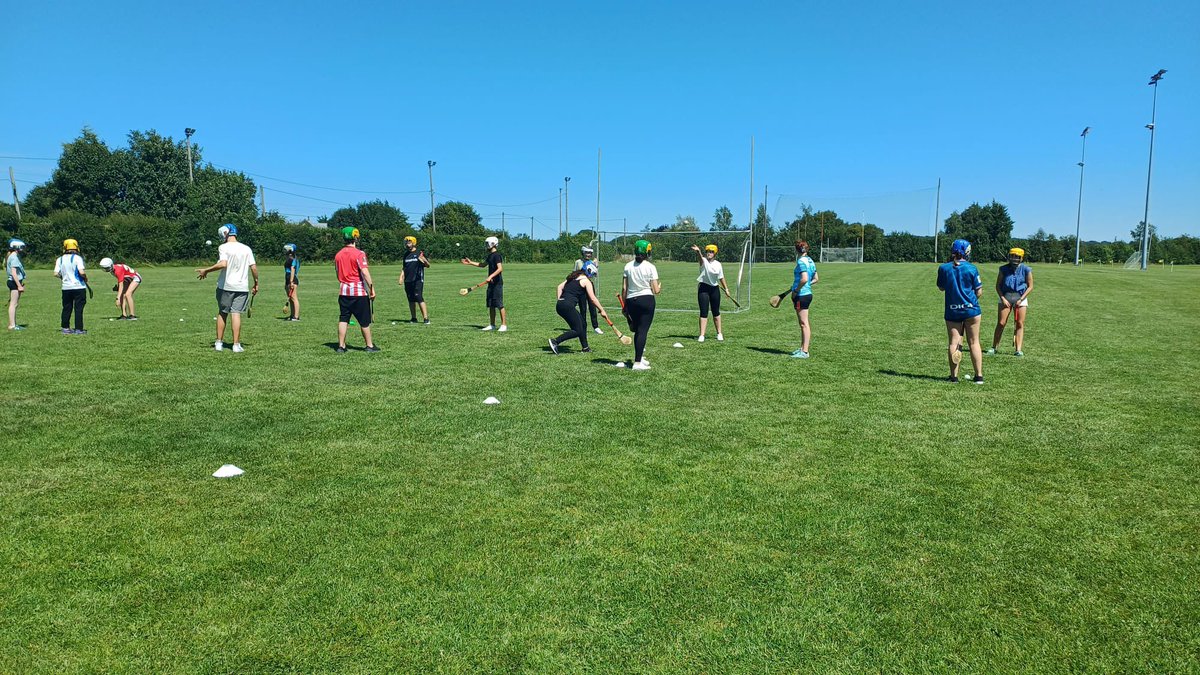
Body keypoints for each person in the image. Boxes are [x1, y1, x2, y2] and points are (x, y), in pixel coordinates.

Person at [195, 224, 259, 353]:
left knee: (223, 312)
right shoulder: (246, 248)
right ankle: (236, 345)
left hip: (225, 286)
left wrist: (206, 270)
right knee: (236, 314)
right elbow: (253, 268)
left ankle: (219, 343)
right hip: (241, 287)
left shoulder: (223, 247)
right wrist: (256, 283)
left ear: (225, 234)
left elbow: (223, 264)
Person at [937, 239, 984, 384]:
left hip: (953, 311)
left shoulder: (944, 268)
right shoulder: (972, 268)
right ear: (967, 252)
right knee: (974, 342)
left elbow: (941, 287)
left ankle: (954, 377)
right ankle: (979, 376)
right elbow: (979, 291)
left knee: (954, 343)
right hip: (972, 310)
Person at [333, 226, 379, 353]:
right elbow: (365, 272)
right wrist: (371, 288)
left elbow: (337, 274)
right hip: (358, 292)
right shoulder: (359, 254)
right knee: (364, 321)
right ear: (355, 237)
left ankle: (341, 346)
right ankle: (369, 345)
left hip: (343, 292)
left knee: (343, 319)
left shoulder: (338, 255)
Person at [548, 268, 609, 355]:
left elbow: (559, 287)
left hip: (560, 304)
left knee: (583, 324)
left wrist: (560, 300)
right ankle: (555, 341)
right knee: (577, 330)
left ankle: (585, 348)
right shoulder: (586, 281)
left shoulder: (572, 278)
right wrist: (602, 310)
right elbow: (592, 298)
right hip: (567, 306)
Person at [621, 239, 660, 371]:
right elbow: (656, 290)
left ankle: (640, 357)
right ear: (647, 251)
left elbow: (624, 289)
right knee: (643, 331)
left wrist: (624, 305)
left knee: (637, 331)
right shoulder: (650, 267)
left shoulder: (627, 266)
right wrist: (659, 286)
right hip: (646, 300)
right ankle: (637, 363)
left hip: (632, 301)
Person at [989, 247, 1034, 356]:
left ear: (1021, 258)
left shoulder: (1026, 269)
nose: (1014, 259)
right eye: (1012, 256)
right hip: (1006, 296)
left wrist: (1021, 299)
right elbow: (998, 286)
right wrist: (1003, 298)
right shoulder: (1003, 269)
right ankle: (994, 347)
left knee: (1019, 323)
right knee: (1001, 323)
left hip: (1020, 297)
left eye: (1017, 257)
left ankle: (1018, 350)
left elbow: (1030, 286)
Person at [461, 236, 507, 332]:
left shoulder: (497, 255)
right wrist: (470, 263)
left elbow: (500, 268)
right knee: (491, 304)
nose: (486, 245)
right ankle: (492, 325)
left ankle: (503, 325)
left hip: (497, 284)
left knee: (499, 304)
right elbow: (482, 265)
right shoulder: (490, 255)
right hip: (491, 284)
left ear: (493, 244)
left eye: (487, 243)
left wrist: (491, 276)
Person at [690, 243, 732, 342]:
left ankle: (719, 333)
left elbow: (721, 277)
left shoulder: (718, 264)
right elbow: (700, 258)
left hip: (715, 289)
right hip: (703, 288)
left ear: (715, 253)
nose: (709, 253)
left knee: (716, 312)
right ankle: (702, 335)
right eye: (708, 251)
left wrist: (726, 289)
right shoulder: (703, 261)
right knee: (703, 312)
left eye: (711, 252)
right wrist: (698, 252)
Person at [53, 238, 88, 335]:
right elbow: (81, 272)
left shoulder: (59, 259)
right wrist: (85, 278)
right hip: (78, 287)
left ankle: (65, 328)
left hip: (66, 287)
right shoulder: (77, 258)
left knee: (66, 307)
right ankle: (79, 329)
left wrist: (63, 277)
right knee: (78, 308)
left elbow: (56, 273)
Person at [790, 240, 818, 358]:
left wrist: (796, 290)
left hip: (801, 295)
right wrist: (804, 286)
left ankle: (805, 352)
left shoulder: (801, 261)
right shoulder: (810, 260)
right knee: (803, 323)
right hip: (807, 294)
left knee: (803, 323)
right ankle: (802, 348)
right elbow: (816, 278)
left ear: (797, 250)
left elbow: (804, 279)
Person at [397, 235, 431, 324]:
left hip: (417, 280)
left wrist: (423, 259)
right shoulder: (406, 255)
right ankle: (413, 318)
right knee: (410, 299)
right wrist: (401, 277)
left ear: (413, 243)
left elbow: (428, 265)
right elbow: (404, 267)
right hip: (408, 280)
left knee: (419, 297)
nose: (407, 244)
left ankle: (426, 319)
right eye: (406, 243)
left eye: (409, 242)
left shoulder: (419, 253)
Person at [573, 246, 602, 334]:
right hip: (581, 286)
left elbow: (595, 275)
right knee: (583, 308)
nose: (588, 255)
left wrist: (595, 266)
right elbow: (574, 274)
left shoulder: (592, 262)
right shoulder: (578, 262)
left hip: (590, 285)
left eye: (590, 253)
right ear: (583, 253)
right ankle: (582, 326)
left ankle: (596, 327)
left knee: (592, 306)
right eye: (586, 253)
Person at [6, 238, 26, 331]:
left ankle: (13, 324)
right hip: (14, 282)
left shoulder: (14, 256)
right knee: (13, 304)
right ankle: (12, 325)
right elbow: (14, 273)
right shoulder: (14, 257)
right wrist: (19, 285)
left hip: (15, 282)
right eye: (21, 247)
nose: (23, 248)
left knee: (14, 304)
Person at [283, 243, 300, 321]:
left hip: (292, 279)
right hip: (288, 279)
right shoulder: (289, 258)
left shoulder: (293, 259)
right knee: (290, 299)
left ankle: (296, 316)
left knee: (294, 298)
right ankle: (292, 315)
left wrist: (291, 281)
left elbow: (293, 269)